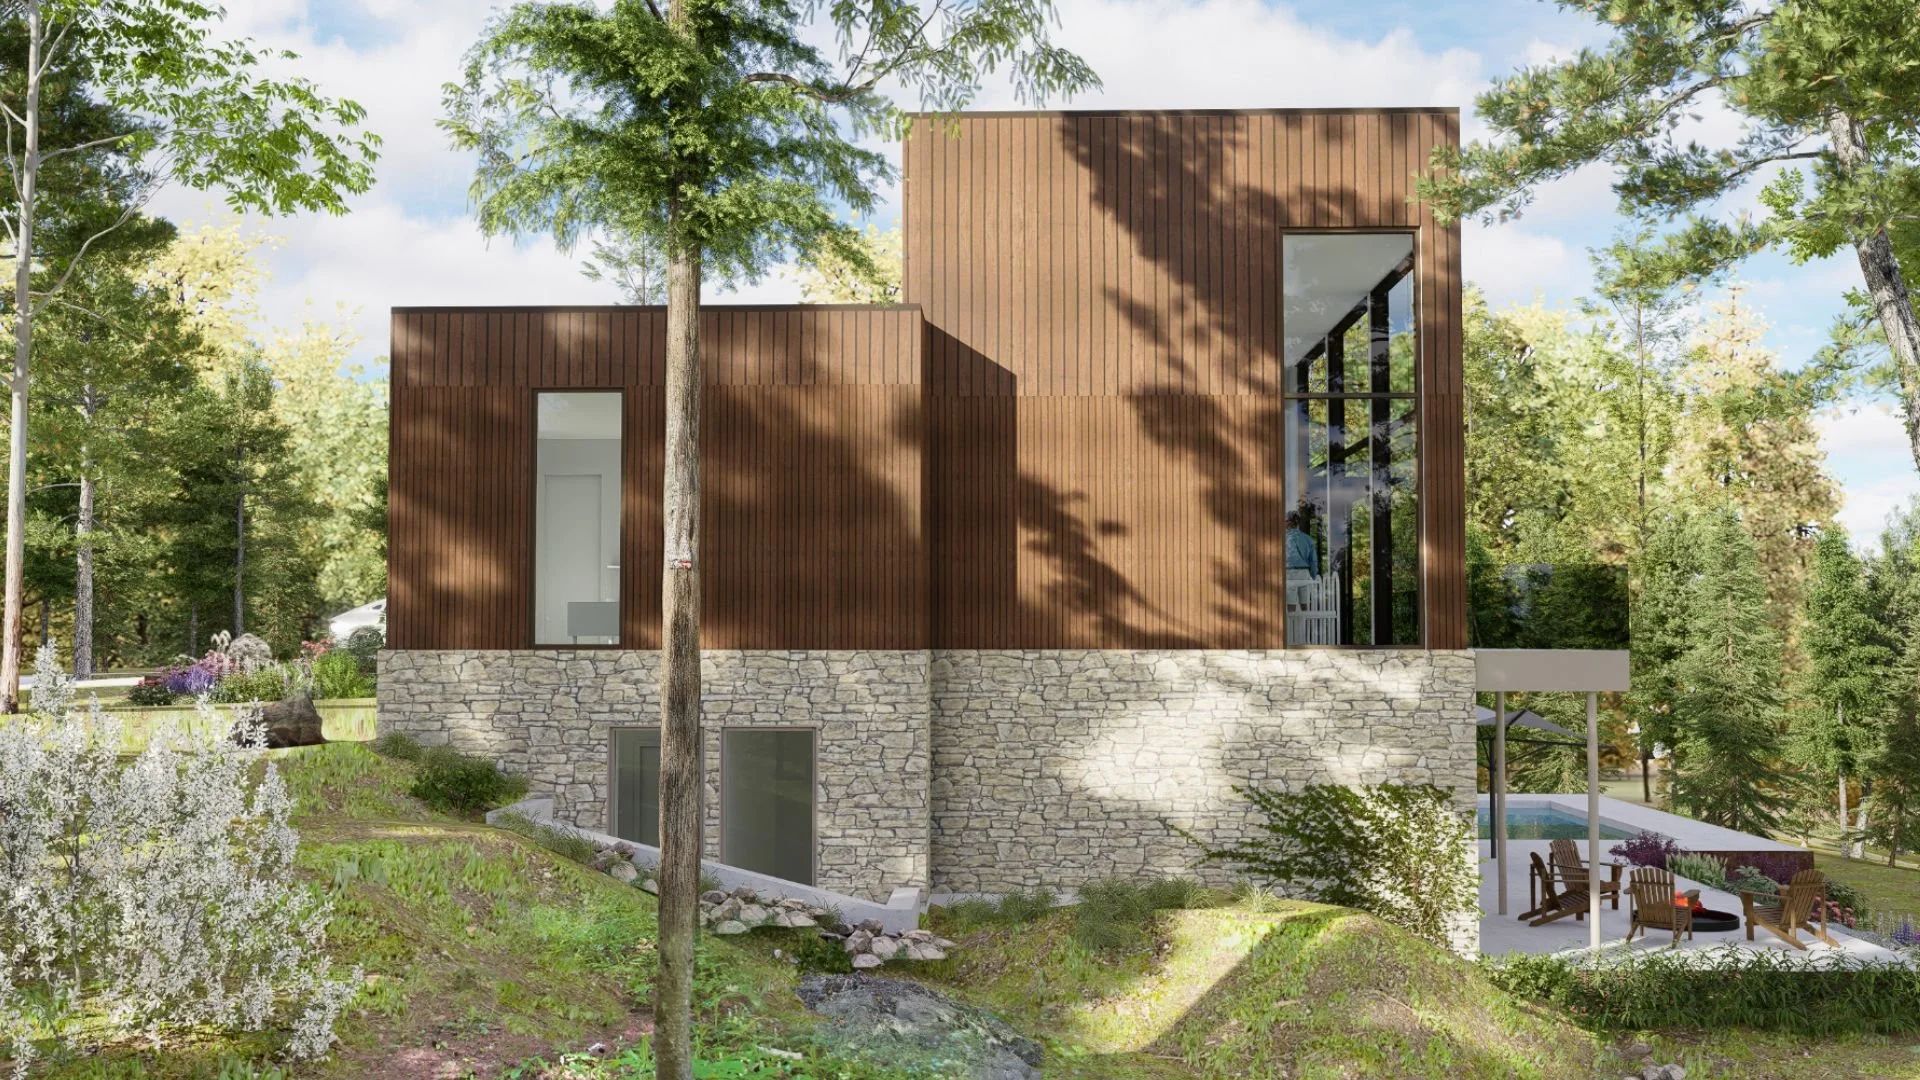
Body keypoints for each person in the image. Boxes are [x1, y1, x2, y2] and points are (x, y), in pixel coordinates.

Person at [1285, 510, 1318, 578]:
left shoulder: (1282, 539)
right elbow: (1313, 561)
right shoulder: (1308, 539)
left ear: (1288, 522)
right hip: (1304, 574)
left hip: (1287, 574)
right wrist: (1313, 577)